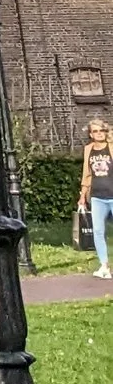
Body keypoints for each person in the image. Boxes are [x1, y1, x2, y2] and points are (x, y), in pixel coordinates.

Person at [83, 117, 113, 281]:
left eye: (101, 130)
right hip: (97, 197)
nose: (99, 133)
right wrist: (82, 195)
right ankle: (104, 266)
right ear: (91, 134)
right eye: (95, 131)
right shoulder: (88, 150)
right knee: (98, 231)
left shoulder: (111, 147)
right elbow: (86, 174)